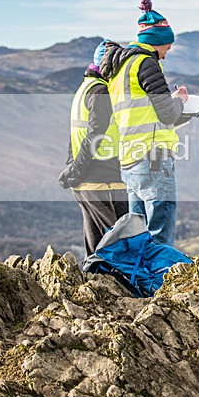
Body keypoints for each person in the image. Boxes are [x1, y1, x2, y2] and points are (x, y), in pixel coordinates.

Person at [99, 0, 189, 247]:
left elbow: (140, 108)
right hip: (153, 159)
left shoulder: (121, 67)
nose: (165, 55)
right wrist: (180, 100)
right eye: (166, 49)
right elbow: (168, 114)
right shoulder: (147, 63)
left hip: (130, 160)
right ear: (157, 42)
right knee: (160, 234)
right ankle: (161, 282)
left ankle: (139, 283)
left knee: (137, 234)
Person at [58, 39, 129, 259]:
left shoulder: (86, 88)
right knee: (118, 243)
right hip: (102, 179)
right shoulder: (101, 92)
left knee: (96, 246)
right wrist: (76, 171)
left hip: (89, 179)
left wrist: (72, 169)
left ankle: (98, 287)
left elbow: (75, 134)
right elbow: (94, 134)